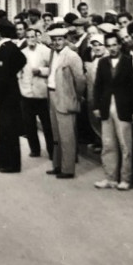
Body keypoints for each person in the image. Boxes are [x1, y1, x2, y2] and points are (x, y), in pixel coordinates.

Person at [93, 30, 133, 190]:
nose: (112, 48)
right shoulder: (103, 62)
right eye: (109, 46)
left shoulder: (128, 61)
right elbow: (98, 86)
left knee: (125, 145)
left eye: (114, 45)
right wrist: (97, 107)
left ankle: (125, 179)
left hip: (123, 107)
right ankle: (110, 178)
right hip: (106, 106)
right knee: (108, 144)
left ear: (119, 45)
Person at [45, 27, 86, 178]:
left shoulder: (72, 56)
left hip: (66, 98)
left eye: (60, 39)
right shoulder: (52, 54)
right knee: (56, 135)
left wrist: (75, 96)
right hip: (52, 95)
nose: (57, 43)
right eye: (54, 40)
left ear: (65, 40)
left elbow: (80, 80)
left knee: (67, 136)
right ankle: (57, 165)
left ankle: (67, 169)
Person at [0, 20, 26, 173]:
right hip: (8, 95)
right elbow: (21, 60)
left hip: (6, 96)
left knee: (9, 130)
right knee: (3, 129)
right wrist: (12, 73)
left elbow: (1, 77)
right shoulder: (7, 48)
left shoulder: (6, 48)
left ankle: (12, 164)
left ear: (2, 32)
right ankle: (2, 161)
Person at [18, 24, 54, 158]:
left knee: (47, 125)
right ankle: (35, 149)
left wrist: (41, 71)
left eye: (33, 37)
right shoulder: (22, 53)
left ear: (37, 37)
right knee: (29, 124)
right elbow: (18, 72)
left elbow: (53, 69)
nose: (30, 39)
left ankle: (52, 151)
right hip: (27, 93)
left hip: (42, 94)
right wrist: (21, 86)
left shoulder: (45, 51)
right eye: (28, 37)